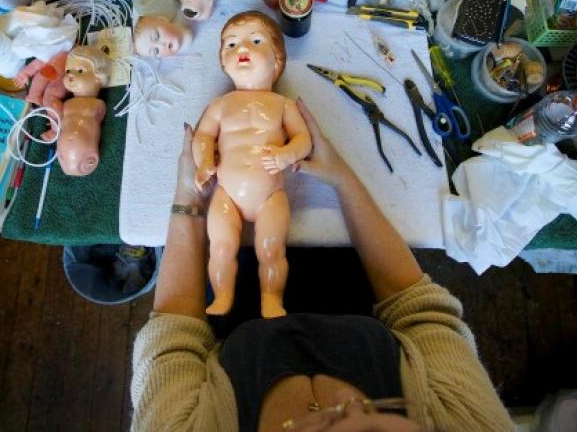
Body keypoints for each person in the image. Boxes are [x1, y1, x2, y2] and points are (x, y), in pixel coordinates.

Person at [131, 100, 515, 431]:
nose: (348, 410)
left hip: (236, 312)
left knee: (237, 251)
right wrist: (342, 180)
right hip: (356, 287)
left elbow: (173, 335)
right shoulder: (466, 421)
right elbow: (420, 311)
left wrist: (190, 198)